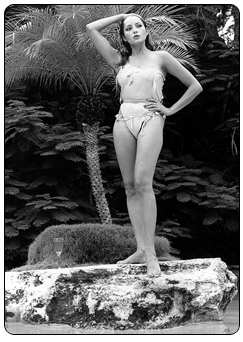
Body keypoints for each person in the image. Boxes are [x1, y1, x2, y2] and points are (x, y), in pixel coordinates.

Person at [86, 13, 203, 277]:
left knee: (142, 182)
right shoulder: (119, 60)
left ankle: (151, 254)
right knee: (129, 187)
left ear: (147, 31)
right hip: (123, 119)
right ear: (124, 36)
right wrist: (123, 14)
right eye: (129, 28)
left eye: (139, 25)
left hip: (151, 116)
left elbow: (195, 86)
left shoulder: (161, 58)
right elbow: (91, 27)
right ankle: (140, 249)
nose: (135, 30)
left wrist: (170, 109)